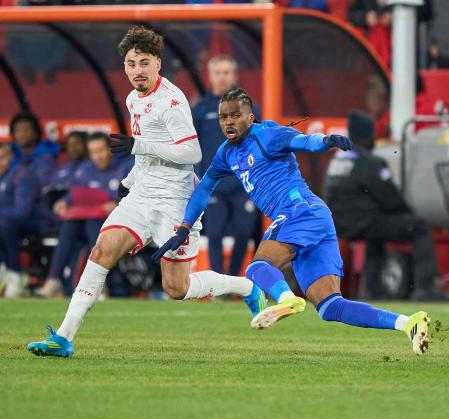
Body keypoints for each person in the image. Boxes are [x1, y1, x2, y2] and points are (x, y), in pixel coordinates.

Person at [26, 26, 267, 358]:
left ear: (158, 64)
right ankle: (64, 337)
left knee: (177, 288)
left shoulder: (171, 101)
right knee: (101, 252)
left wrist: (139, 144)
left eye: (144, 62)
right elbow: (147, 153)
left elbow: (191, 154)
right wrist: (130, 178)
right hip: (142, 196)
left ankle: (248, 288)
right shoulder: (131, 98)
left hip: (175, 201)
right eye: (130, 63)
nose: (137, 70)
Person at [153, 88, 432, 355]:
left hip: (299, 210)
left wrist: (325, 141)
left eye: (235, 115)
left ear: (250, 117)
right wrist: (185, 227)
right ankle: (408, 323)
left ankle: (287, 300)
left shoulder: (267, 134)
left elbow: (300, 140)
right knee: (330, 307)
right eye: (224, 116)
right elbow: (204, 188)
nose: (229, 121)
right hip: (314, 218)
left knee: (258, 267)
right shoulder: (226, 153)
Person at [324, 111, 445, 301]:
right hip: (362, 222)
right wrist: (410, 214)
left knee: (376, 233)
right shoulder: (370, 162)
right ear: (368, 135)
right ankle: (425, 288)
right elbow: (391, 199)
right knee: (419, 228)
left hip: (338, 224)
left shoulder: (338, 160)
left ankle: (370, 291)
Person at [37, 132, 132, 298]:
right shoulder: (85, 169)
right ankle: (54, 280)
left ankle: (96, 284)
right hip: (87, 224)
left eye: (101, 150)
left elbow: (136, 195)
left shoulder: (125, 166)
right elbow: (75, 193)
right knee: (72, 224)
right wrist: (64, 202)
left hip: (118, 224)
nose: (98, 156)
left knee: (91, 222)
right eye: (93, 152)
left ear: (110, 148)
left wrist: (118, 205)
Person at [192, 54, 259, 277]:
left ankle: (233, 278)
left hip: (244, 184)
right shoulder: (201, 109)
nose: (222, 77)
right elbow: (192, 147)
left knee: (243, 232)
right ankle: (219, 283)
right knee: (215, 233)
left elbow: (261, 143)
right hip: (215, 184)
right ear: (210, 76)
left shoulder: (250, 108)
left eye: (226, 72)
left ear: (235, 75)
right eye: (218, 73)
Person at [0, 143, 43, 298]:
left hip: (35, 223)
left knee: (6, 222)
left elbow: (22, 211)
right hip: (8, 223)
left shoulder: (22, 174)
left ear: (12, 157)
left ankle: (15, 273)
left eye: (2, 158)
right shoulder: (2, 175)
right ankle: (4, 269)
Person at [10, 111, 58, 188]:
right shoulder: (12, 158)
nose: (22, 134)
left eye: (26, 129)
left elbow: (43, 187)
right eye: (17, 130)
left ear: (36, 133)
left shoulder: (46, 159)